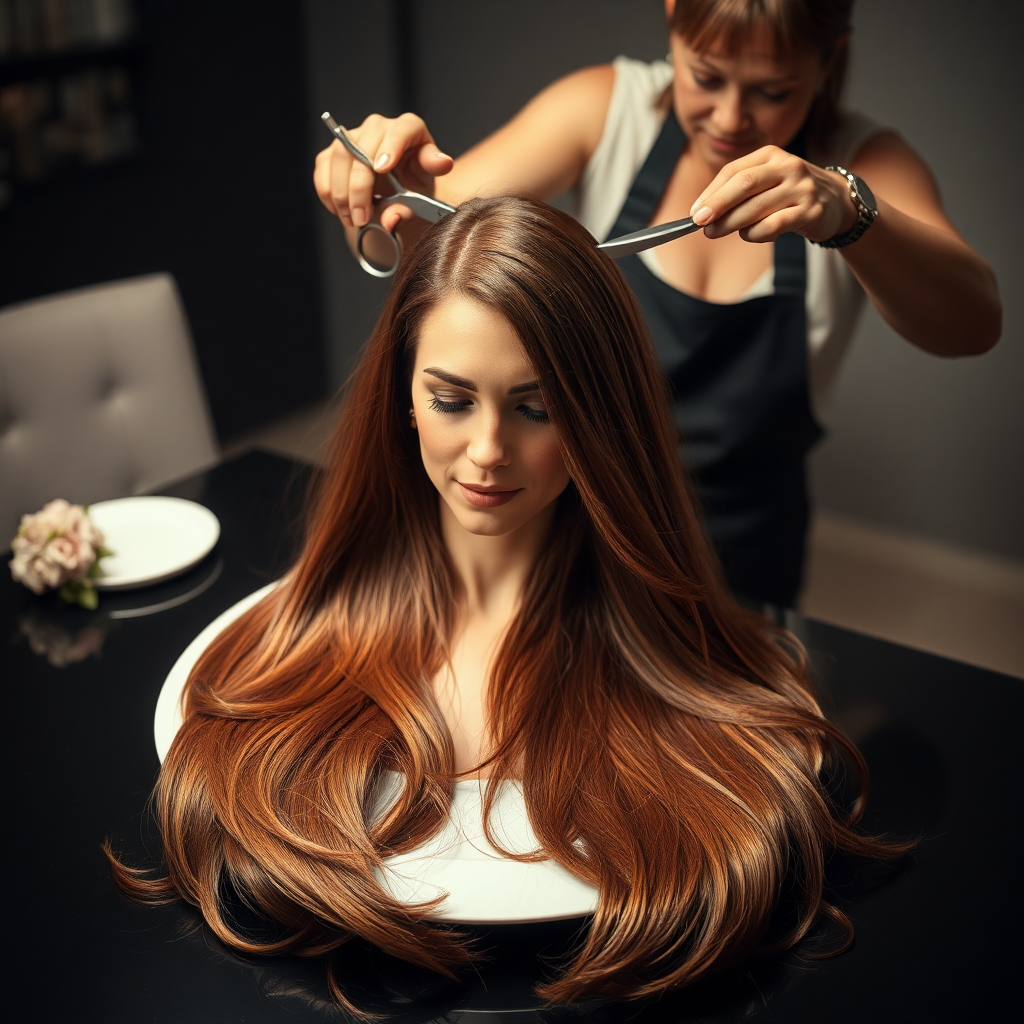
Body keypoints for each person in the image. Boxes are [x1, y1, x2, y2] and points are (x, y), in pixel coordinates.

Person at [107, 195, 907, 1014]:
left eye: (536, 408)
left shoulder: (671, 666)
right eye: (452, 401)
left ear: (601, 418)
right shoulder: (298, 636)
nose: (488, 452)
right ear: (403, 398)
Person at [313, 0, 1001, 608]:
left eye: (772, 90)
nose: (732, 118)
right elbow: (425, 240)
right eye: (706, 77)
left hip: (741, 559)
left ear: (831, 60)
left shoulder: (864, 162)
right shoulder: (605, 110)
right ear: (673, 17)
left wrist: (851, 214)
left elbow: (974, 325)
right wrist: (379, 193)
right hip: (585, 537)